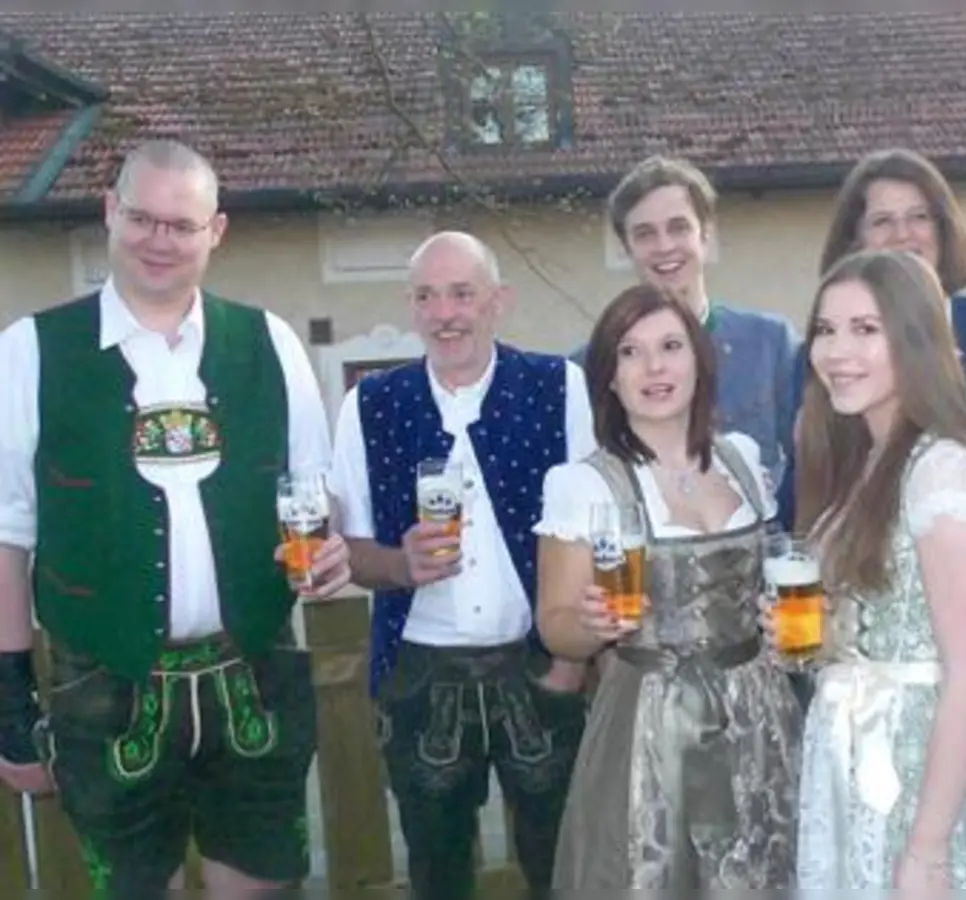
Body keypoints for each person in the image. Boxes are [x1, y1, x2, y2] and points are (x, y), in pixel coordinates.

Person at [0, 139, 350, 896]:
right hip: (103, 686)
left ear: (215, 231)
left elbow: (312, 501)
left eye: (182, 225)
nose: (160, 240)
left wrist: (329, 555)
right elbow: (7, 537)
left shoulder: (270, 343)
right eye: (142, 218)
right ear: (110, 213)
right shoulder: (29, 352)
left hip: (253, 672)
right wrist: (7, 697)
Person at [327, 231, 595, 899]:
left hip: (538, 661)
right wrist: (399, 563)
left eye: (461, 294)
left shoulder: (558, 386)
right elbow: (349, 549)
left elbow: (597, 529)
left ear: (498, 301)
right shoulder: (370, 404)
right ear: (411, 306)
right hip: (419, 673)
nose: (444, 313)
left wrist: (570, 666)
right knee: (436, 872)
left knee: (563, 866)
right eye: (426, 296)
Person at [790, 249, 966, 890]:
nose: (837, 351)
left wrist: (929, 849)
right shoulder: (862, 462)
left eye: (865, 329)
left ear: (915, 341)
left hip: (920, 767)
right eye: (826, 330)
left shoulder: (945, 470)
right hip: (852, 752)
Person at [537, 283, 803, 888]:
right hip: (650, 721)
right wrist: (591, 626)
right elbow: (555, 625)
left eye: (670, 346)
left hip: (760, 713)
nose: (654, 367)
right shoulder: (583, 485)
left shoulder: (742, 459)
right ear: (608, 377)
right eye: (630, 352)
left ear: (698, 360)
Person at [776, 147, 966, 527]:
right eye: (882, 221)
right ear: (855, 241)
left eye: (919, 217)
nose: (903, 234)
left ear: (943, 229)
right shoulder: (824, 357)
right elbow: (801, 504)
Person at [574, 155, 801, 493]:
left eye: (678, 228)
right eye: (645, 234)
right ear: (626, 249)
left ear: (705, 235)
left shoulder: (770, 345)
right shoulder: (588, 368)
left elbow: (812, 463)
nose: (664, 246)